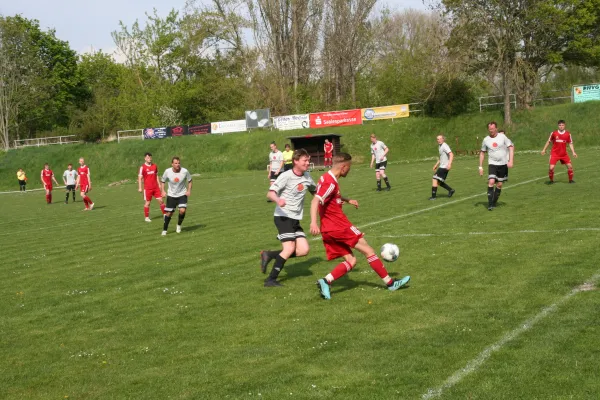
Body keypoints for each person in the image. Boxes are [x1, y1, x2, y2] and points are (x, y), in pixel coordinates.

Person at [310, 153, 411, 300]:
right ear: (343, 167)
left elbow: (330, 196)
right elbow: (315, 201)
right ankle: (390, 284)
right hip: (339, 227)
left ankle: (325, 281)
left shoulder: (326, 178)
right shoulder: (330, 183)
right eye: (349, 167)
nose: (349, 171)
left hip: (328, 229)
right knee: (369, 251)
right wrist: (313, 222)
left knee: (351, 261)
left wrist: (347, 200)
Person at [260, 149, 317, 287]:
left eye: (308, 160)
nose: (307, 163)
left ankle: (270, 255)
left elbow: (316, 193)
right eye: (305, 160)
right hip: (283, 216)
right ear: (296, 161)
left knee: (303, 250)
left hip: (295, 219)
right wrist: (278, 200)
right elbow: (270, 193)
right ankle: (270, 280)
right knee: (289, 248)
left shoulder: (307, 176)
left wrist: (339, 199)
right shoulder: (286, 176)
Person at [479, 122, 514, 211]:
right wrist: (480, 167)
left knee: (499, 184)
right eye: (489, 129)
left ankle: (494, 202)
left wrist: (510, 160)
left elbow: (510, 147)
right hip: (492, 164)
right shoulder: (486, 140)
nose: (491, 131)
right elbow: (482, 153)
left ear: (496, 128)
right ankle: (490, 204)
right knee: (491, 182)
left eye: (492, 129)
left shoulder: (502, 137)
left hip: (503, 164)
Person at [160, 157, 192, 236]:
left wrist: (188, 190)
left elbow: (190, 181)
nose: (177, 165)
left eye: (178, 163)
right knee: (169, 214)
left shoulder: (185, 171)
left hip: (182, 194)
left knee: (182, 210)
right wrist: (163, 191)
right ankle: (165, 229)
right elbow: (163, 181)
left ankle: (178, 225)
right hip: (171, 195)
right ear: (172, 164)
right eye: (176, 163)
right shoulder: (167, 171)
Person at [540, 120, 577, 184]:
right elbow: (549, 141)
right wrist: (544, 149)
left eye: (562, 125)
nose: (561, 126)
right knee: (551, 168)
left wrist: (573, 152)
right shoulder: (554, 133)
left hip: (563, 154)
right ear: (558, 126)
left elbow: (570, 143)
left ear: (564, 126)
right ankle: (551, 181)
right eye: (560, 125)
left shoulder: (568, 134)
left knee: (570, 167)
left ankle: (570, 180)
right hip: (555, 154)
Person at [138, 152, 166, 222]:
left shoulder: (154, 166)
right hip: (148, 188)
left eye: (150, 157)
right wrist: (140, 187)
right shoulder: (142, 167)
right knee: (148, 203)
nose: (149, 159)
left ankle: (165, 215)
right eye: (148, 157)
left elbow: (156, 175)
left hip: (156, 188)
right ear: (145, 158)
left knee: (161, 201)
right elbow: (139, 178)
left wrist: (159, 184)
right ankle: (146, 217)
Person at [429, 135, 456, 200]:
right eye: (437, 139)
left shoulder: (444, 145)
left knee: (434, 179)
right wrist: (436, 164)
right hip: (442, 166)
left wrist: (449, 164)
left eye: (440, 139)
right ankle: (451, 190)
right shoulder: (440, 146)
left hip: (444, 167)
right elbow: (441, 157)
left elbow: (451, 154)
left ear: (443, 139)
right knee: (439, 182)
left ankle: (433, 197)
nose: (438, 140)